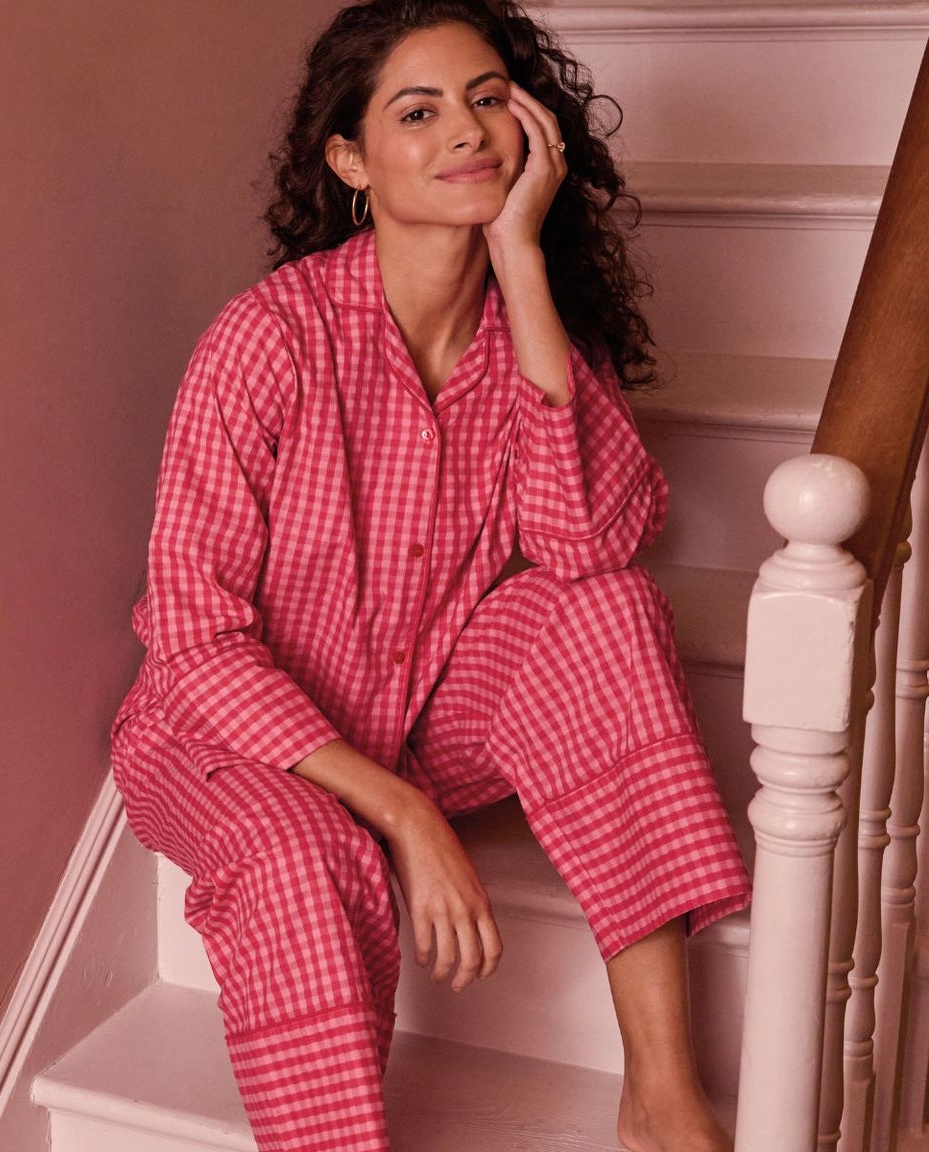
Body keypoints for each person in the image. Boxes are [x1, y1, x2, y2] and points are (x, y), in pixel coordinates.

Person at [107, 2, 752, 1149]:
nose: (468, 132)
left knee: (607, 609)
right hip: (227, 738)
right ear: (350, 160)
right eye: (419, 111)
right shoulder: (271, 338)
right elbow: (196, 636)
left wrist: (522, 261)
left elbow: (591, 544)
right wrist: (398, 810)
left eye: (489, 98)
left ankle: (661, 1091)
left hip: (417, 711)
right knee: (308, 856)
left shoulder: (533, 334)